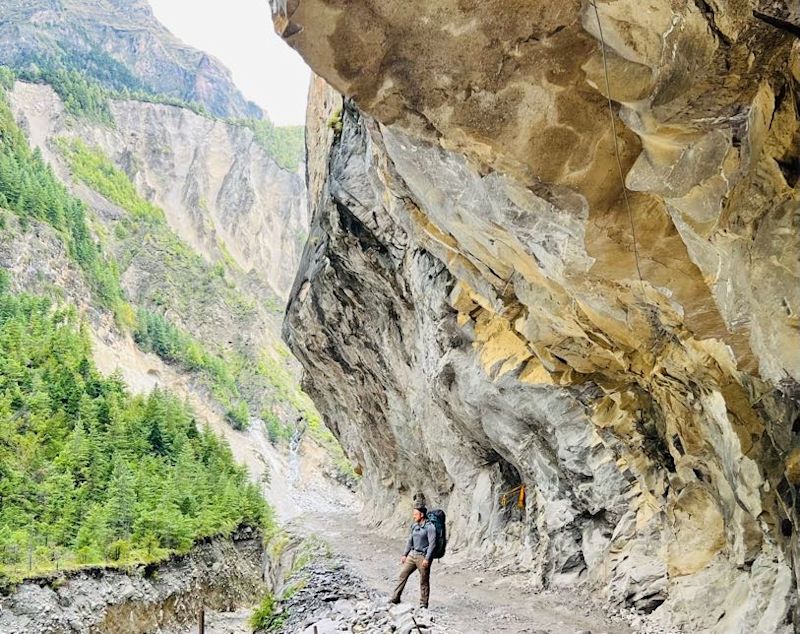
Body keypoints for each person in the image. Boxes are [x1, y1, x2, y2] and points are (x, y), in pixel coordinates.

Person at [390, 504, 437, 608]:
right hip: (412, 555)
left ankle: (423, 604)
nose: (414, 516)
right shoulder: (414, 526)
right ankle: (395, 598)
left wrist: (427, 559)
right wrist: (404, 554)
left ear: (422, 514)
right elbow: (409, 541)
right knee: (403, 575)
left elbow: (432, 544)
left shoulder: (430, 527)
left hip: (423, 557)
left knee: (424, 580)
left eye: (416, 514)